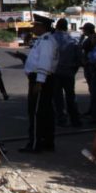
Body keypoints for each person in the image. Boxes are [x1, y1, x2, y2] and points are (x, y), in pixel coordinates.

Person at [19, 14, 59, 153]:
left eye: (35, 25)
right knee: (45, 111)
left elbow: (44, 63)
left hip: (40, 79)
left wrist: (39, 82)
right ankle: (47, 142)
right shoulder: (43, 40)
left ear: (42, 27)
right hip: (40, 78)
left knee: (36, 112)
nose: (33, 28)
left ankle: (35, 144)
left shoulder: (46, 41)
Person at [52, 18, 82, 127]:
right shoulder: (73, 40)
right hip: (68, 72)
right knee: (71, 96)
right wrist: (73, 69)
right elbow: (79, 59)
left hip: (55, 72)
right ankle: (75, 119)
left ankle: (61, 119)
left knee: (57, 97)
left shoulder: (52, 39)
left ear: (57, 26)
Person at [79, 23, 96, 116]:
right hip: (89, 66)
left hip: (90, 66)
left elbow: (81, 49)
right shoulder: (92, 38)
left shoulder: (91, 39)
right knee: (92, 90)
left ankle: (94, 111)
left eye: (84, 30)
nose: (83, 31)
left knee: (94, 90)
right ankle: (92, 109)